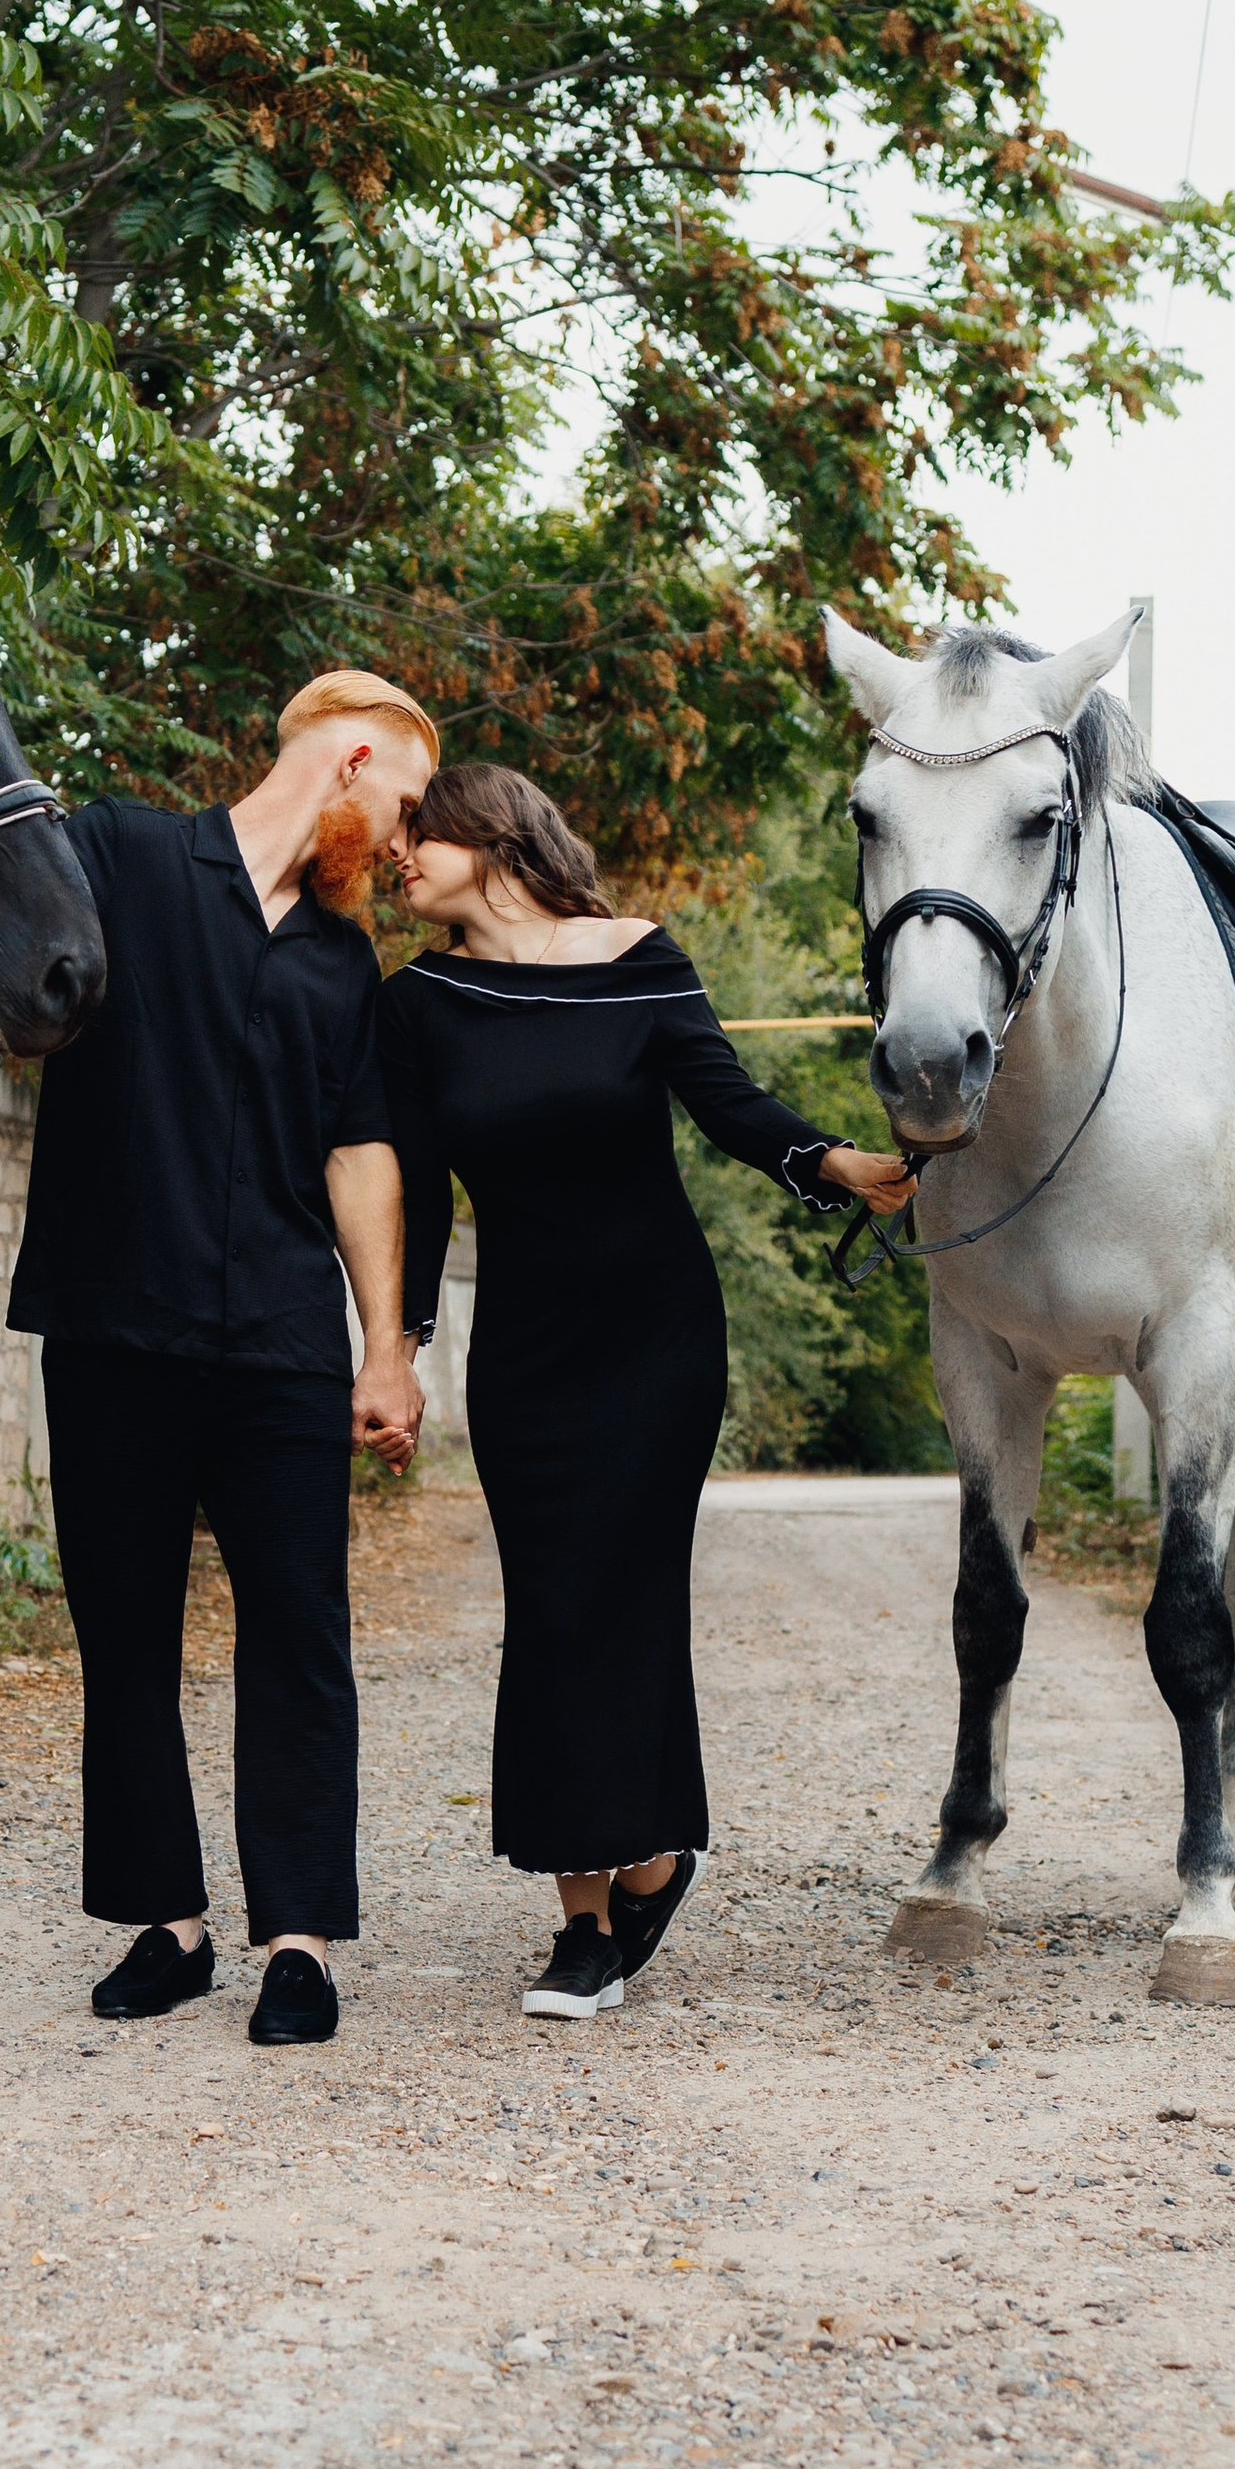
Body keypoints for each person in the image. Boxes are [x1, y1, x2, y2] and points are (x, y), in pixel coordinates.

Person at [0, 671, 432, 2047]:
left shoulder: (345, 966)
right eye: (401, 805)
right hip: (115, 1324)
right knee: (125, 1641)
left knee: (303, 1640)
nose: (403, 847)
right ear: (350, 761)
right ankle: (169, 1927)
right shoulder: (120, 853)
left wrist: (384, 1347)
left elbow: (361, 1156)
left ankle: (299, 1941)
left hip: (279, 1340)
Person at [379, 763, 914, 2020]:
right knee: (554, 1609)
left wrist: (833, 1161)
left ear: (489, 836)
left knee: (623, 1599)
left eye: (419, 834)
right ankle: (587, 1902)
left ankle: (648, 1859)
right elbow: (407, 1182)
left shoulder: (638, 956)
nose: (398, 856)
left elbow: (721, 1100)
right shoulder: (415, 1002)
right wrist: (397, 1343)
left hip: (656, 1336)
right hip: (523, 1349)